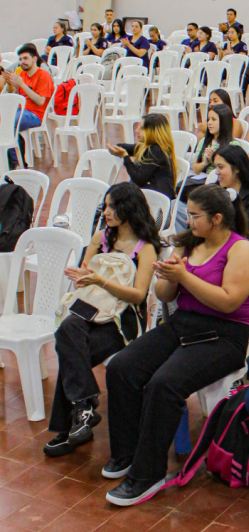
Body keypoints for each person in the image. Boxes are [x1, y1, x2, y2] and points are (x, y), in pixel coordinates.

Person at [103, 185, 249, 505]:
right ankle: (128, 453)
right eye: (187, 213)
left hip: (225, 335)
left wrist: (185, 277)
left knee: (164, 384)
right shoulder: (188, 244)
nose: (187, 220)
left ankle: (147, 475)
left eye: (194, 215)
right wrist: (169, 277)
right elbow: (164, 295)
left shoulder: (241, 250)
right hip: (184, 324)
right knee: (122, 366)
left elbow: (229, 303)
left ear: (217, 219)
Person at [44, 183, 161, 458]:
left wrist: (101, 280)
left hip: (122, 319)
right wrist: (84, 277)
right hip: (90, 308)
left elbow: (138, 295)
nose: (106, 212)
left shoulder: (146, 249)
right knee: (69, 330)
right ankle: (83, 409)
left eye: (112, 206)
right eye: (105, 206)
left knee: (71, 350)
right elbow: (86, 283)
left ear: (128, 209)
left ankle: (72, 422)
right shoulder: (101, 238)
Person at [0, 43, 54, 167]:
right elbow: (17, 96)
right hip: (20, 110)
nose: (22, 62)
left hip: (35, 113)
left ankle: (17, 162)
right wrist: (10, 84)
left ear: (34, 59)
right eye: (20, 59)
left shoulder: (43, 75)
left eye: (25, 58)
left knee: (8, 123)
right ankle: (7, 157)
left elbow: (40, 101)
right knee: (3, 118)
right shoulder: (22, 75)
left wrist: (22, 85)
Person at [107, 112, 178, 201]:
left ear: (152, 131)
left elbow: (138, 179)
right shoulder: (154, 147)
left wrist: (125, 157)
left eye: (141, 128)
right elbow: (126, 147)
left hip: (157, 200)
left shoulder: (156, 151)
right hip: (152, 194)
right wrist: (117, 148)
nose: (136, 130)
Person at [213, 143, 249, 237]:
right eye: (215, 167)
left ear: (237, 168)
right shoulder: (215, 191)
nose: (216, 172)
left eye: (221, 167)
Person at [192, 104, 247, 178]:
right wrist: (204, 163)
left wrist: (214, 160)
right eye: (208, 119)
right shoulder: (204, 141)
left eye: (213, 119)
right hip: (203, 178)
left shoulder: (232, 145)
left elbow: (233, 172)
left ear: (224, 122)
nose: (209, 123)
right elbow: (195, 169)